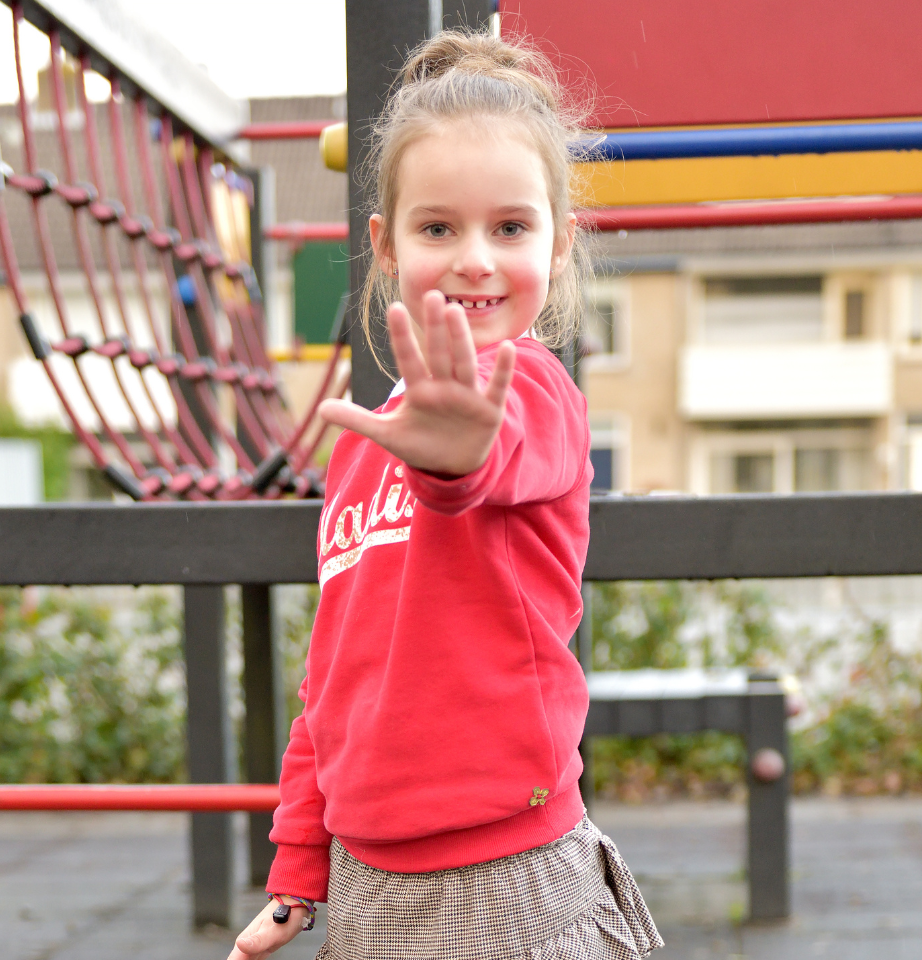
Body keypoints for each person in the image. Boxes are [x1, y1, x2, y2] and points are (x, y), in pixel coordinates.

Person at [228, 28, 662, 960]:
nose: (474, 258)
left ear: (557, 245)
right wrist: (300, 858)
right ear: (385, 245)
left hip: (510, 883)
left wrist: (454, 461)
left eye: (510, 227)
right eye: (438, 227)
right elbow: (335, 673)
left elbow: (491, 461)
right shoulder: (367, 445)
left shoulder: (534, 393)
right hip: (369, 883)